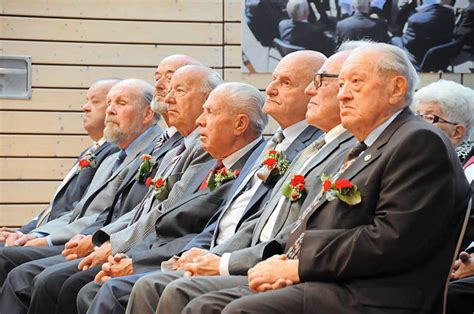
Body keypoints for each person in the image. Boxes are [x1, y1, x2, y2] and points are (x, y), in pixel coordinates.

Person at [182, 43, 470, 313]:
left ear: (396, 89)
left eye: (356, 82)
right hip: (337, 279)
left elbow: (390, 239)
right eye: (342, 84)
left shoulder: (418, 141)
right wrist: (285, 262)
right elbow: (321, 223)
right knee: (203, 301)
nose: (343, 94)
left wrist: (298, 267)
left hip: (380, 295)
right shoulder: (372, 143)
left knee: (225, 308)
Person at [79, 50, 327, 314]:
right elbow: (219, 222)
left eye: (285, 83)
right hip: (197, 251)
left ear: (240, 124)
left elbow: (261, 225)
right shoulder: (271, 147)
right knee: (83, 284)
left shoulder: (299, 148)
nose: (271, 89)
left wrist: (214, 260)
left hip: (253, 260)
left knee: (144, 288)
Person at [0, 78, 163, 312]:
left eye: (120, 103)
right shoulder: (114, 157)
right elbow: (76, 209)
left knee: (32, 276)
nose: (110, 110)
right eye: (108, 103)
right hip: (87, 237)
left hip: (113, 242)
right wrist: (30, 232)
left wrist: (50, 238)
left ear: (148, 114)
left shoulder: (152, 154)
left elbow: (115, 215)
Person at [0, 78, 120, 245]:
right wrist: (21, 232)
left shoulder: (115, 152)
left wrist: (36, 236)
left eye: (94, 102)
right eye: (86, 101)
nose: (84, 107)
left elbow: (81, 211)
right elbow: (55, 208)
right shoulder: (90, 151)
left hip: (67, 237)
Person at [413, 79, 474, 166]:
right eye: (417, 115)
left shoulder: (463, 170)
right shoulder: (424, 160)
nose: (417, 123)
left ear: (457, 132)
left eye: (430, 118)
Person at [390, 0, 455, 64]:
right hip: (439, 55)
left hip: (416, 58)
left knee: (395, 39)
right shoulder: (450, 14)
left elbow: (407, 42)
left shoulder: (415, 20)